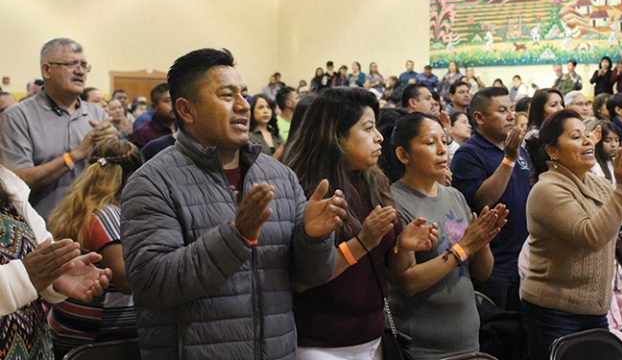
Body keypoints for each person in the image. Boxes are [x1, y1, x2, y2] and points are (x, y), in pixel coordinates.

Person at [120, 48, 347, 359]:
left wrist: (314, 238)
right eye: (227, 96)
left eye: (244, 94)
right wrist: (236, 236)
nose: (244, 105)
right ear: (187, 111)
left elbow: (311, 276)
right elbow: (154, 282)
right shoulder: (153, 182)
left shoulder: (279, 176)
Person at [281, 87, 437, 358]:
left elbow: (391, 266)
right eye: (367, 129)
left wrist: (404, 246)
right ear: (336, 137)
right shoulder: (305, 188)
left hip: (372, 336)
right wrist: (362, 242)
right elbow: (302, 279)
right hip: (318, 343)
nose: (379, 138)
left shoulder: (375, 181)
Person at [522, 109, 622, 360]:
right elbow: (591, 236)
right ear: (552, 151)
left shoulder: (596, 182)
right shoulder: (546, 190)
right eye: (576, 137)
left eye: (587, 135)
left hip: (595, 310)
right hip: (554, 313)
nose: (588, 141)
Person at [386, 112, 507, 359]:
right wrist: (464, 247)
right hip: (422, 348)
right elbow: (408, 283)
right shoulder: (395, 203)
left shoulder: (454, 196)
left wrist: (481, 241)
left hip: (468, 343)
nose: (443, 150)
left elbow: (482, 273)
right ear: (403, 155)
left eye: (444, 140)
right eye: (430, 143)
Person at [1, 162, 111, 359]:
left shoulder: (7, 181)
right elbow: (25, 275)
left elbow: (41, 249)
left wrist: (58, 272)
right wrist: (22, 279)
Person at [0, 38, 115, 219]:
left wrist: (113, 146)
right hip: (41, 233)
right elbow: (15, 182)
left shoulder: (97, 115)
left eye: (84, 65)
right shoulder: (17, 116)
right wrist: (73, 156)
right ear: (47, 70)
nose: (80, 71)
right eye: (71, 64)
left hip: (91, 227)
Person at [46, 139, 143, 357]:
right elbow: (126, 280)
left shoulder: (81, 206)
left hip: (72, 328)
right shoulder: (107, 214)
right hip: (92, 339)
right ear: (132, 175)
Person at [451, 87, 531, 310]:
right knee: (502, 332)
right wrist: (508, 160)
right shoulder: (469, 154)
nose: (511, 116)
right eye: (502, 110)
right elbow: (482, 199)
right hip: (497, 264)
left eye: (512, 109)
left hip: (526, 257)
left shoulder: (517, 149)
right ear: (479, 117)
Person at [524, 88, 564, 177]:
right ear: (540, 110)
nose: (561, 108)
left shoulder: (556, 130)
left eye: (561, 104)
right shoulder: (534, 135)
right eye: (554, 105)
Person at [128, 83, 175, 149]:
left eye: (175, 99)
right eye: (168, 101)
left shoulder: (184, 128)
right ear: (154, 107)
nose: (174, 104)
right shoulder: (141, 134)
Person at [248, 94, 285, 159]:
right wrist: (275, 156)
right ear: (252, 110)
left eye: (268, 107)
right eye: (261, 107)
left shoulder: (275, 134)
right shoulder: (248, 136)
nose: (266, 111)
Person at [590, 120, 621, 185]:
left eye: (617, 140)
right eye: (608, 140)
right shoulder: (593, 165)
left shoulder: (616, 162)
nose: (613, 145)